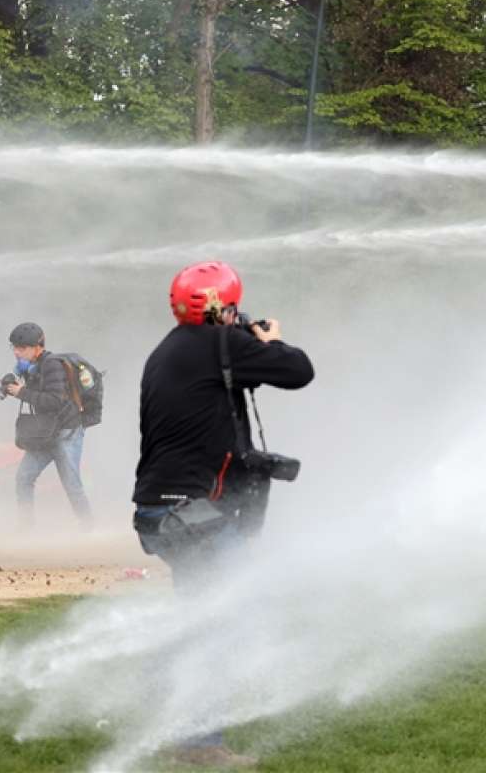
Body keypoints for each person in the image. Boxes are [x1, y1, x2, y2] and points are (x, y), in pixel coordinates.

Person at [131, 260, 313, 768]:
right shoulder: (222, 344)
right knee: (230, 614)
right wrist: (270, 340)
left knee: (205, 613)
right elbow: (299, 371)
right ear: (221, 308)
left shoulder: (167, 349)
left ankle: (164, 688)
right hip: (190, 516)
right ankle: (199, 743)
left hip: (162, 513)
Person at [4, 322, 93, 530]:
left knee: (71, 484)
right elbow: (37, 394)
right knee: (23, 478)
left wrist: (21, 393)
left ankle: (89, 527)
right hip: (45, 433)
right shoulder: (30, 367)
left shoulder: (52, 365)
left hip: (66, 433)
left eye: (22, 347)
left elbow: (55, 401)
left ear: (38, 347)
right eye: (14, 347)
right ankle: (26, 528)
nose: (17, 352)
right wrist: (10, 388)